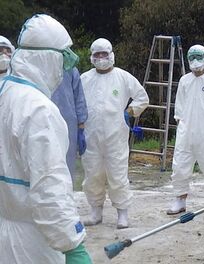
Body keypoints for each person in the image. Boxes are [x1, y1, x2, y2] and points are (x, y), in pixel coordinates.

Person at [0, 14, 92, 263]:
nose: (68, 65)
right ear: (49, 58)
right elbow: (48, 188)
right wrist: (72, 245)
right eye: (65, 56)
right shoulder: (39, 109)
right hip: (35, 241)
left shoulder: (5, 92)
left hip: (5, 229)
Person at [80, 38, 149, 229]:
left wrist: (130, 112)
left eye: (104, 54)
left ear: (112, 55)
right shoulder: (84, 79)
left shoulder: (123, 77)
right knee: (93, 174)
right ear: (91, 57)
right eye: (97, 55)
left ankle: (122, 213)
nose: (101, 58)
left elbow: (142, 98)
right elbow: (76, 103)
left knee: (117, 175)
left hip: (116, 136)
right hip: (90, 137)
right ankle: (95, 212)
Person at [167, 45, 204, 215]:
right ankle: (180, 200)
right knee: (180, 165)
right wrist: (180, 127)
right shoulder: (184, 81)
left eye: (198, 57)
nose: (195, 61)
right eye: (192, 57)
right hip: (185, 132)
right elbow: (179, 108)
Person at [51, 68, 88, 183]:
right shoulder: (32, 64)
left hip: (68, 125)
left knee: (66, 165)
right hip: (40, 122)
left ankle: (65, 196)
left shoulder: (69, 68)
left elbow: (79, 98)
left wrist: (81, 128)